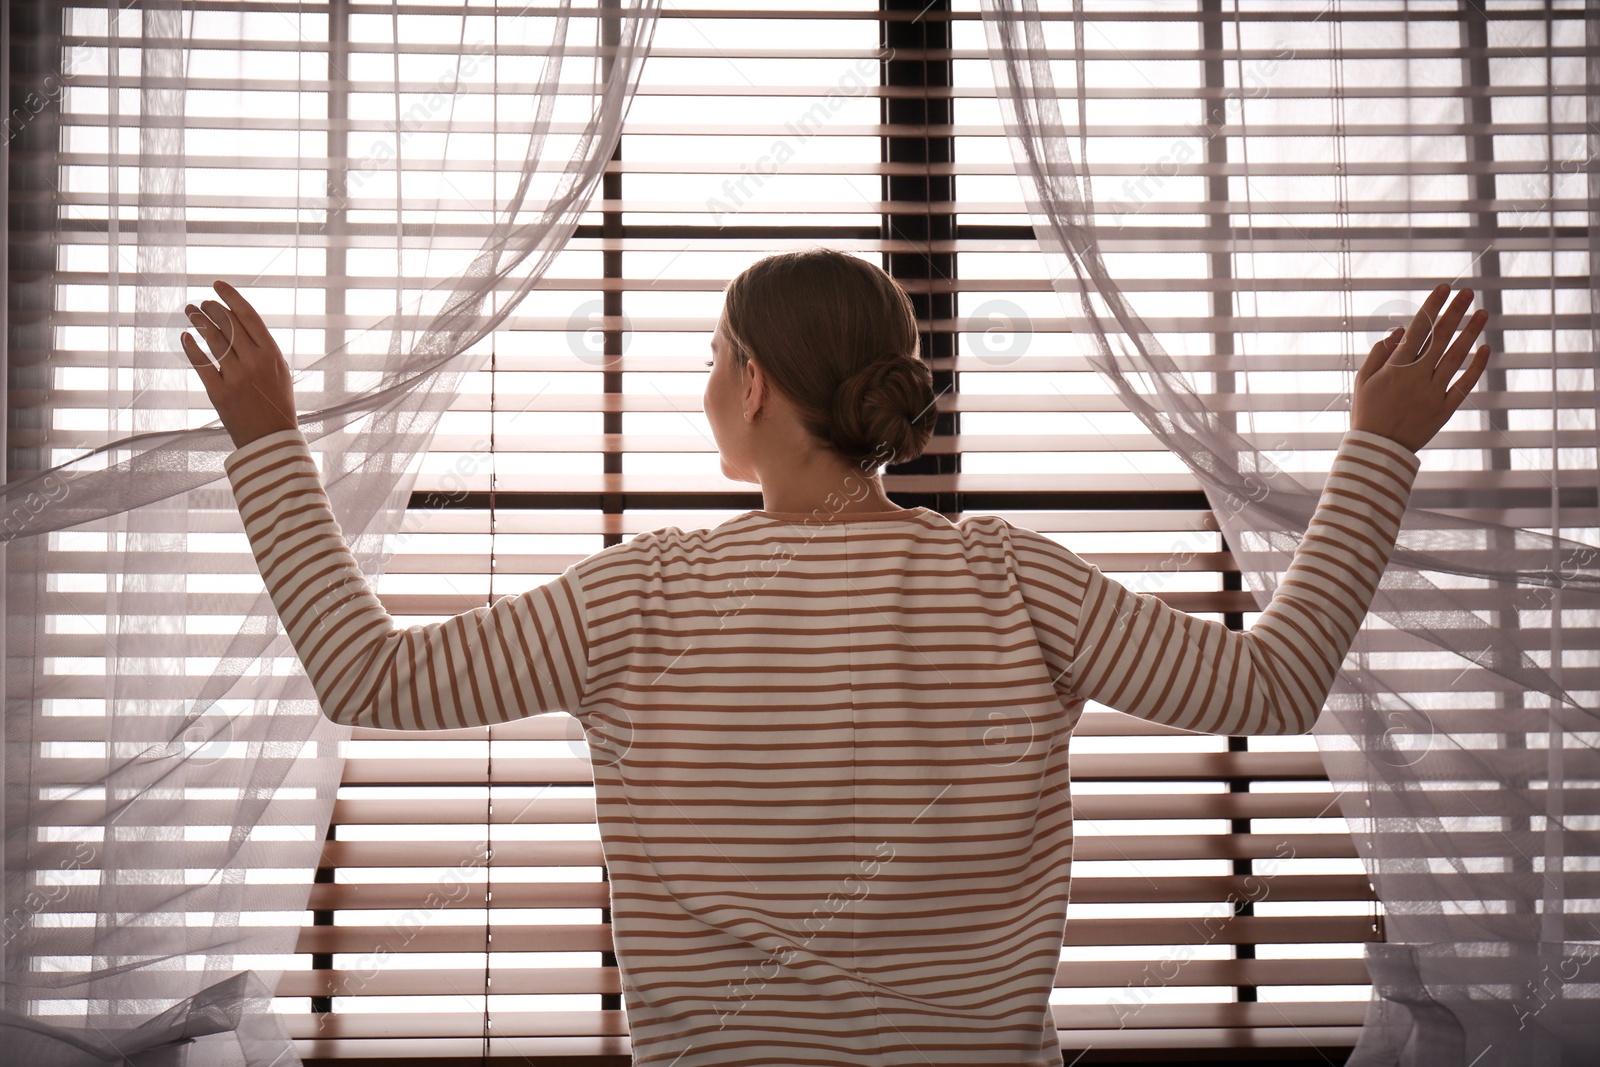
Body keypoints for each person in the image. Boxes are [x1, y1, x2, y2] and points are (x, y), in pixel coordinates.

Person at [182, 251, 1490, 1066]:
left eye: (710, 362)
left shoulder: (643, 597)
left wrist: (267, 443)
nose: (702, 385)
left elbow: (372, 680)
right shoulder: (1012, 579)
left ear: (753, 384)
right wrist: (1381, 447)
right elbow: (1271, 683)